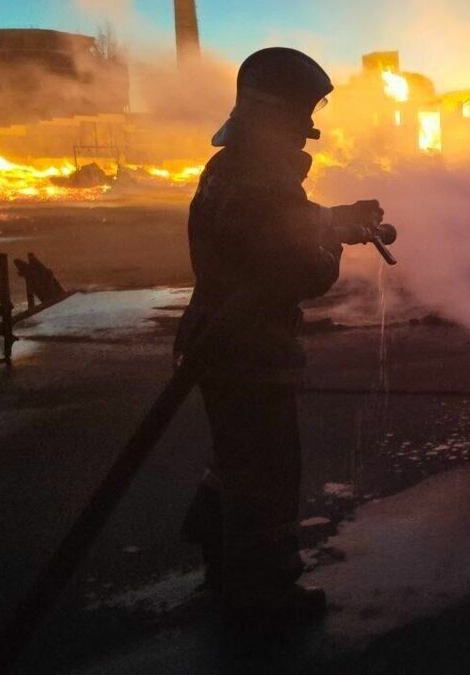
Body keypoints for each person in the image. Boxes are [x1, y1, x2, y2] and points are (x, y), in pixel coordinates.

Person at [174, 47, 383, 629]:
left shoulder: (233, 165)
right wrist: (333, 242)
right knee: (267, 472)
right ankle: (264, 596)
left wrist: (336, 215)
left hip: (216, 338)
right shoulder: (265, 178)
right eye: (307, 107)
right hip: (248, 346)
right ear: (282, 109)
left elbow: (276, 221)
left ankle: (220, 557)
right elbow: (301, 271)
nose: (311, 120)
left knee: (236, 459)